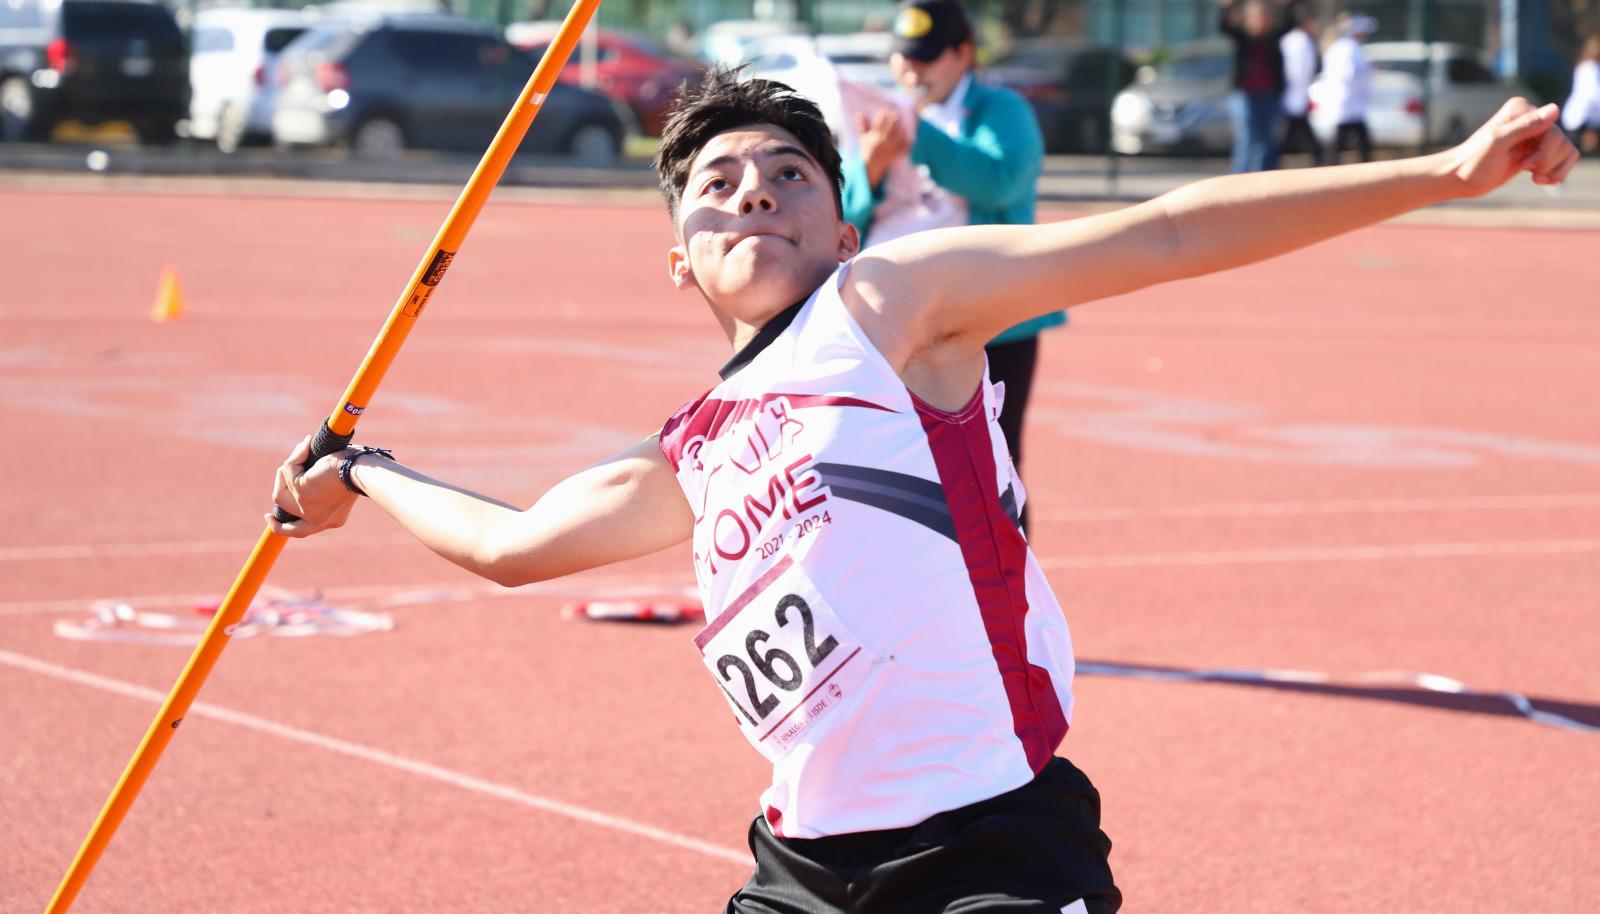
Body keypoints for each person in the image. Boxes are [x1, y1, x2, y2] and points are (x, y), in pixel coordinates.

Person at [271, 70, 1574, 914]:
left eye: (790, 174)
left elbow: (1170, 232)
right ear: (680, 258)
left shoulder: (889, 308)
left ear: (841, 224)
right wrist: (365, 475)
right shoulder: (693, 445)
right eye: (719, 184)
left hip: (991, 847)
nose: (757, 193)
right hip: (806, 869)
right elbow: (512, 546)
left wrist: (1441, 176)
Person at [839, 0, 1064, 534]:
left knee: (993, 464)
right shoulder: (875, 116)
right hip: (896, 318)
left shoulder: (1001, 110)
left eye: (927, 56)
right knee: (893, 466)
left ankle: (1009, 601)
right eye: (903, 56)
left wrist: (919, 139)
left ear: (965, 53)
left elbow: (1002, 178)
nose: (911, 70)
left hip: (991, 319)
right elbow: (838, 219)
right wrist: (869, 166)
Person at [1216, 0, 1297, 172]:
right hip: (1245, 95)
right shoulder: (1242, 38)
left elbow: (1290, 22)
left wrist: (1285, 0)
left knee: (1267, 140)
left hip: (1270, 95)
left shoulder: (1273, 37)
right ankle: (1239, 180)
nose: (1260, 19)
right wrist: (1227, 2)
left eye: (1263, 15)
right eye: (1256, 15)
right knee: (1247, 139)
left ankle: (1265, 180)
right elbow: (1224, 25)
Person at [1321, 12, 1377, 163]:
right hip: (1346, 101)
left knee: (1355, 139)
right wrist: (1368, 71)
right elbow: (1349, 73)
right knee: (1343, 141)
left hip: (1350, 103)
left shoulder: (1345, 47)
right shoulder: (1347, 48)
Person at [1279, 9, 1324, 165]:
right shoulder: (1300, 41)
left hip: (1293, 94)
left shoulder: (1292, 39)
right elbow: (1300, 71)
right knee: (1294, 130)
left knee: (1292, 130)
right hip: (1294, 93)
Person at [1561, 34, 1600, 155]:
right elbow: (1593, 92)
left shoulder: (1586, 67)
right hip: (1582, 115)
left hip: (1587, 114)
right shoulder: (1590, 68)